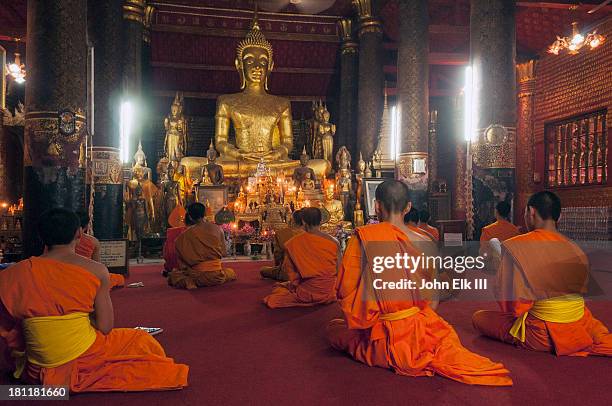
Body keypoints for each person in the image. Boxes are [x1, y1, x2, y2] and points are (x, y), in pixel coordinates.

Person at [327, 180, 512, 386]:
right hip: (420, 328)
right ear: (407, 208)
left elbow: (346, 291)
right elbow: (432, 301)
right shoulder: (425, 241)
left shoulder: (364, 238)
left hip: (381, 333)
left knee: (335, 329)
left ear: (376, 205)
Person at [0, 208, 189, 392]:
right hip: (85, 356)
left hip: (36, 371)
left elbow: (8, 327)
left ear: (40, 236)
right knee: (141, 340)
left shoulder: (13, 273)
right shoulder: (95, 270)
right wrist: (76, 318)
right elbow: (105, 326)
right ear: (79, 233)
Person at [472, 191, 612, 356]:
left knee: (479, 318)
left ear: (531, 212)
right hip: (579, 325)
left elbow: (510, 304)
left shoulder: (517, 246)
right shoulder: (575, 247)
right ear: (558, 218)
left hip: (542, 334)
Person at [263, 207, 339, 308]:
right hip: (330, 291)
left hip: (307, 292)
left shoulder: (293, 243)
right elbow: (339, 268)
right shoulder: (334, 241)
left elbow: (291, 272)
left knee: (278, 292)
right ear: (321, 220)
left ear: (303, 221)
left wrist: (296, 284)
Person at [168, 203, 236, 289]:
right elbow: (224, 253)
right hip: (217, 276)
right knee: (230, 272)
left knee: (174, 275)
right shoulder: (218, 229)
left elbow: (182, 261)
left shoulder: (184, 236)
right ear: (204, 214)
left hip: (198, 276)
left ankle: (189, 282)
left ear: (190, 217)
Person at [74, 211, 124, 289]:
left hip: (67, 273)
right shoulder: (93, 241)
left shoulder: (64, 240)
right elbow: (97, 264)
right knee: (118, 278)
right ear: (87, 226)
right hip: (85, 275)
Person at [260, 209, 304, 281]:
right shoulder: (311, 234)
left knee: (263, 270)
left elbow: (278, 256)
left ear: (292, 220)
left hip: (287, 273)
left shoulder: (281, 233)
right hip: (309, 273)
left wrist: (279, 268)